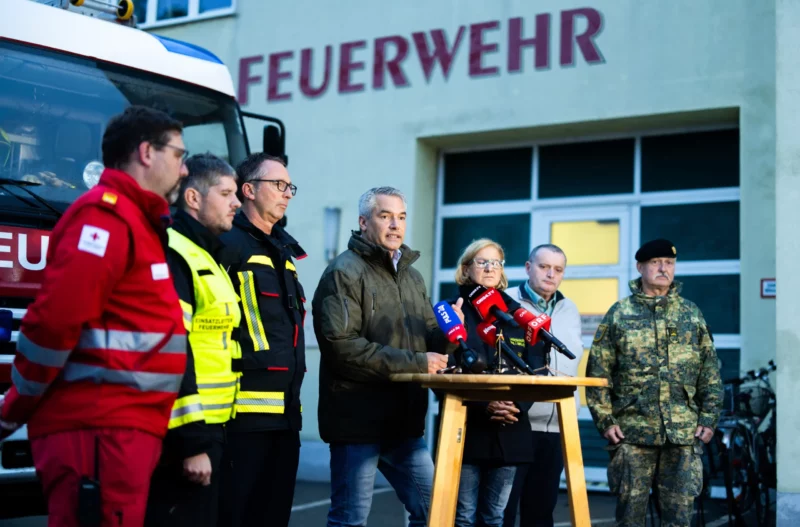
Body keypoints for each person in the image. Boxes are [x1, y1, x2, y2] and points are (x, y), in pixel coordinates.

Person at [0, 105, 189, 526]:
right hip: (99, 434)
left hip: (117, 431)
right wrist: (13, 410)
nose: (184, 169)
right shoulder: (106, 217)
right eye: (178, 155)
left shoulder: (135, 220)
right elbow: (53, 323)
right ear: (146, 152)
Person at [312, 186, 461, 527]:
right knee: (350, 519)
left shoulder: (412, 276)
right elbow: (341, 347)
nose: (395, 225)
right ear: (364, 222)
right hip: (357, 419)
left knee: (436, 512)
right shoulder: (344, 272)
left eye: (402, 217)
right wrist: (416, 362)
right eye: (385, 216)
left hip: (403, 424)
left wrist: (451, 334)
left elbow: (426, 338)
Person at [586, 238, 723, 527]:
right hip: (632, 434)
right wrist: (605, 421)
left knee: (679, 520)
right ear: (640, 267)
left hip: (683, 436)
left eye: (669, 263)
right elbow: (598, 374)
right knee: (630, 520)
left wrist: (709, 419)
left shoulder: (690, 314)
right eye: (656, 263)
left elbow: (709, 370)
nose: (664, 269)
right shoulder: (619, 314)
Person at [145, 153, 242, 526]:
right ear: (193, 199)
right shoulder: (175, 253)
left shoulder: (207, 254)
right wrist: (192, 444)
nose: (237, 202)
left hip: (211, 429)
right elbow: (172, 351)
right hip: (185, 439)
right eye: (226, 193)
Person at [216, 153, 306, 527]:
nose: (287, 194)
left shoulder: (285, 252)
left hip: (286, 419)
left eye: (290, 187)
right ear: (248, 190)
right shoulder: (228, 245)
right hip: (243, 420)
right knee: (235, 517)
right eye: (279, 185)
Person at [446, 239, 535, 527]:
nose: (489, 268)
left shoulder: (517, 315)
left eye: (495, 262)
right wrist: (486, 403)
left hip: (511, 426)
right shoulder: (452, 310)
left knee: (495, 518)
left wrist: (516, 404)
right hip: (468, 429)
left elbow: (536, 370)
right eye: (481, 262)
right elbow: (447, 369)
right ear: (466, 268)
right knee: (463, 518)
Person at [503, 244, 583, 527]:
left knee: (541, 513)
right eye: (543, 266)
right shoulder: (507, 301)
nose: (551, 274)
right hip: (516, 424)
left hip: (557, 426)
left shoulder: (569, 308)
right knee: (504, 511)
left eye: (558, 269)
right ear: (528, 267)